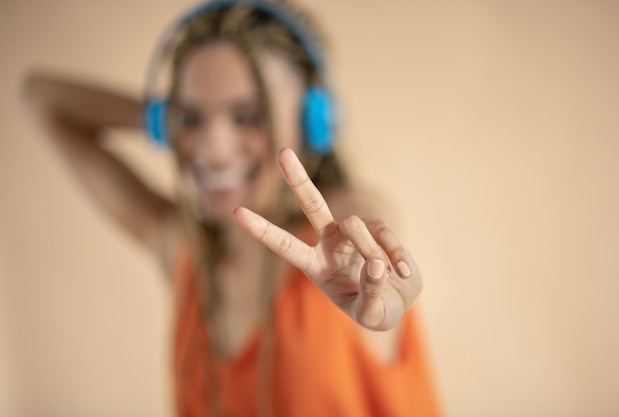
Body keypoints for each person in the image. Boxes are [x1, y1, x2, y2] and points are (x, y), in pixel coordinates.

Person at [22, 0, 440, 416]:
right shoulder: (184, 250)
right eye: (192, 119)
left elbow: (367, 214)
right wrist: (162, 117)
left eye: (248, 116)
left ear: (314, 122)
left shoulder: (342, 249)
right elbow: (39, 97)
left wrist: (379, 271)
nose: (212, 148)